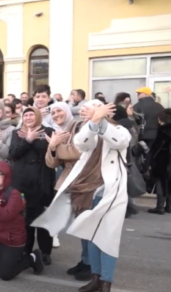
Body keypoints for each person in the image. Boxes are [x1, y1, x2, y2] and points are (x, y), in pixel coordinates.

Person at [33, 100, 131, 292]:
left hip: (110, 192)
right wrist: (94, 122)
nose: (87, 115)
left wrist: (100, 120)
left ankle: (106, 282)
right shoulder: (89, 129)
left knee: (107, 238)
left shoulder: (120, 130)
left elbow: (120, 141)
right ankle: (95, 277)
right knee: (90, 235)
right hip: (87, 191)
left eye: (92, 111)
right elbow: (81, 143)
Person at [0, 161, 45, 281]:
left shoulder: (14, 194)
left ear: (6, 177)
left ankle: (32, 258)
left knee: (5, 275)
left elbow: (5, 215)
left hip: (11, 239)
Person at [44, 102, 89, 280]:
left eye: (59, 110)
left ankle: (90, 264)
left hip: (84, 182)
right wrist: (53, 146)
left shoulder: (79, 127)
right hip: (70, 183)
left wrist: (56, 147)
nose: (55, 114)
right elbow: (51, 162)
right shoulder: (57, 132)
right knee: (80, 225)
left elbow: (78, 151)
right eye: (53, 112)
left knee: (86, 224)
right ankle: (85, 260)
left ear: (68, 111)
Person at [9, 106, 55, 266]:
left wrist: (33, 138)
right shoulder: (17, 133)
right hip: (22, 180)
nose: (28, 118)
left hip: (42, 180)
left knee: (42, 218)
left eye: (31, 115)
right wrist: (27, 139)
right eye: (26, 115)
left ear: (37, 116)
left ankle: (45, 252)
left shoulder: (48, 131)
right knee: (24, 218)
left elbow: (47, 151)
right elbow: (13, 153)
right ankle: (26, 249)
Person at [146, 109, 171, 215]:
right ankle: (169, 206)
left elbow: (156, 147)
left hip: (162, 159)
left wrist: (150, 161)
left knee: (160, 181)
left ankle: (160, 206)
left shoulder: (163, 130)